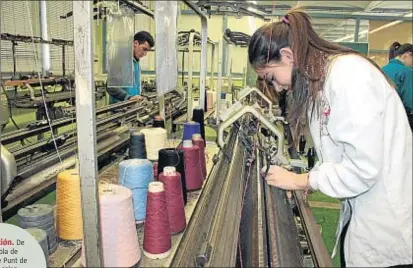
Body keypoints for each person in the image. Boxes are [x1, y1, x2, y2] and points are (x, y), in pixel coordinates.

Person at [249, 10, 412, 267]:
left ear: (288, 56)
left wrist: (302, 180)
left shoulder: (348, 76)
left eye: (271, 77)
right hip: (363, 216)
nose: (277, 87)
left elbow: (363, 168)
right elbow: (340, 156)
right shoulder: (322, 81)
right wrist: (307, 183)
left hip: (388, 226)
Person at [106, 31, 155, 103]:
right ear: (135, 43)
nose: (145, 54)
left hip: (132, 107)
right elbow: (111, 87)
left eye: (147, 51)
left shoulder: (136, 61)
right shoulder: (120, 57)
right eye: (144, 49)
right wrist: (128, 97)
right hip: (120, 110)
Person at [382, 42, 412, 127]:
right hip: (400, 118)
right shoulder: (407, 71)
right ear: (407, 55)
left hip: (383, 116)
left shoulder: (382, 69)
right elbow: (409, 101)